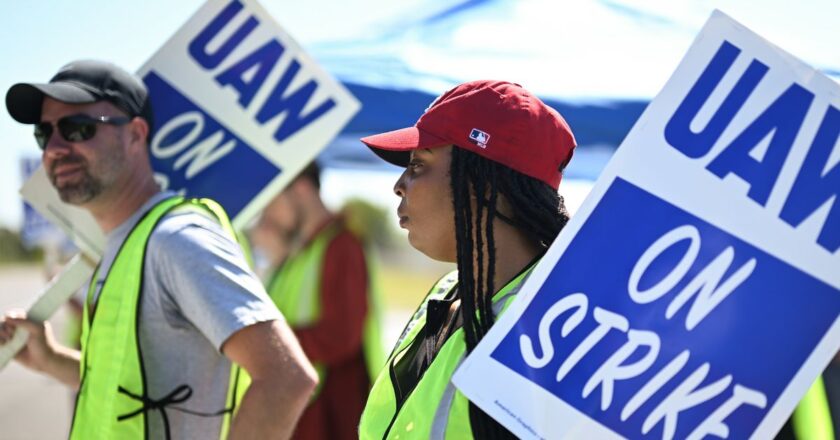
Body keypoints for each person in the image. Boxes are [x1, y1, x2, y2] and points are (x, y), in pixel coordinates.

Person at [0, 60, 318, 439]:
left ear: (135, 135)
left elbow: (286, 379)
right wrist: (53, 362)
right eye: (43, 133)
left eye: (76, 129)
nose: (53, 148)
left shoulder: (176, 238)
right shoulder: (123, 243)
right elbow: (133, 387)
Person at [357, 80, 576, 439]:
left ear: (485, 185)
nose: (399, 184)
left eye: (417, 165)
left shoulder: (551, 329)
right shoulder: (448, 291)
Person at [256, 163, 385, 440]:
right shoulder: (302, 250)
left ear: (301, 188)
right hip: (306, 407)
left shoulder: (342, 245)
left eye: (274, 199)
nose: (268, 212)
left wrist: (265, 343)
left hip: (333, 415)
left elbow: (341, 335)